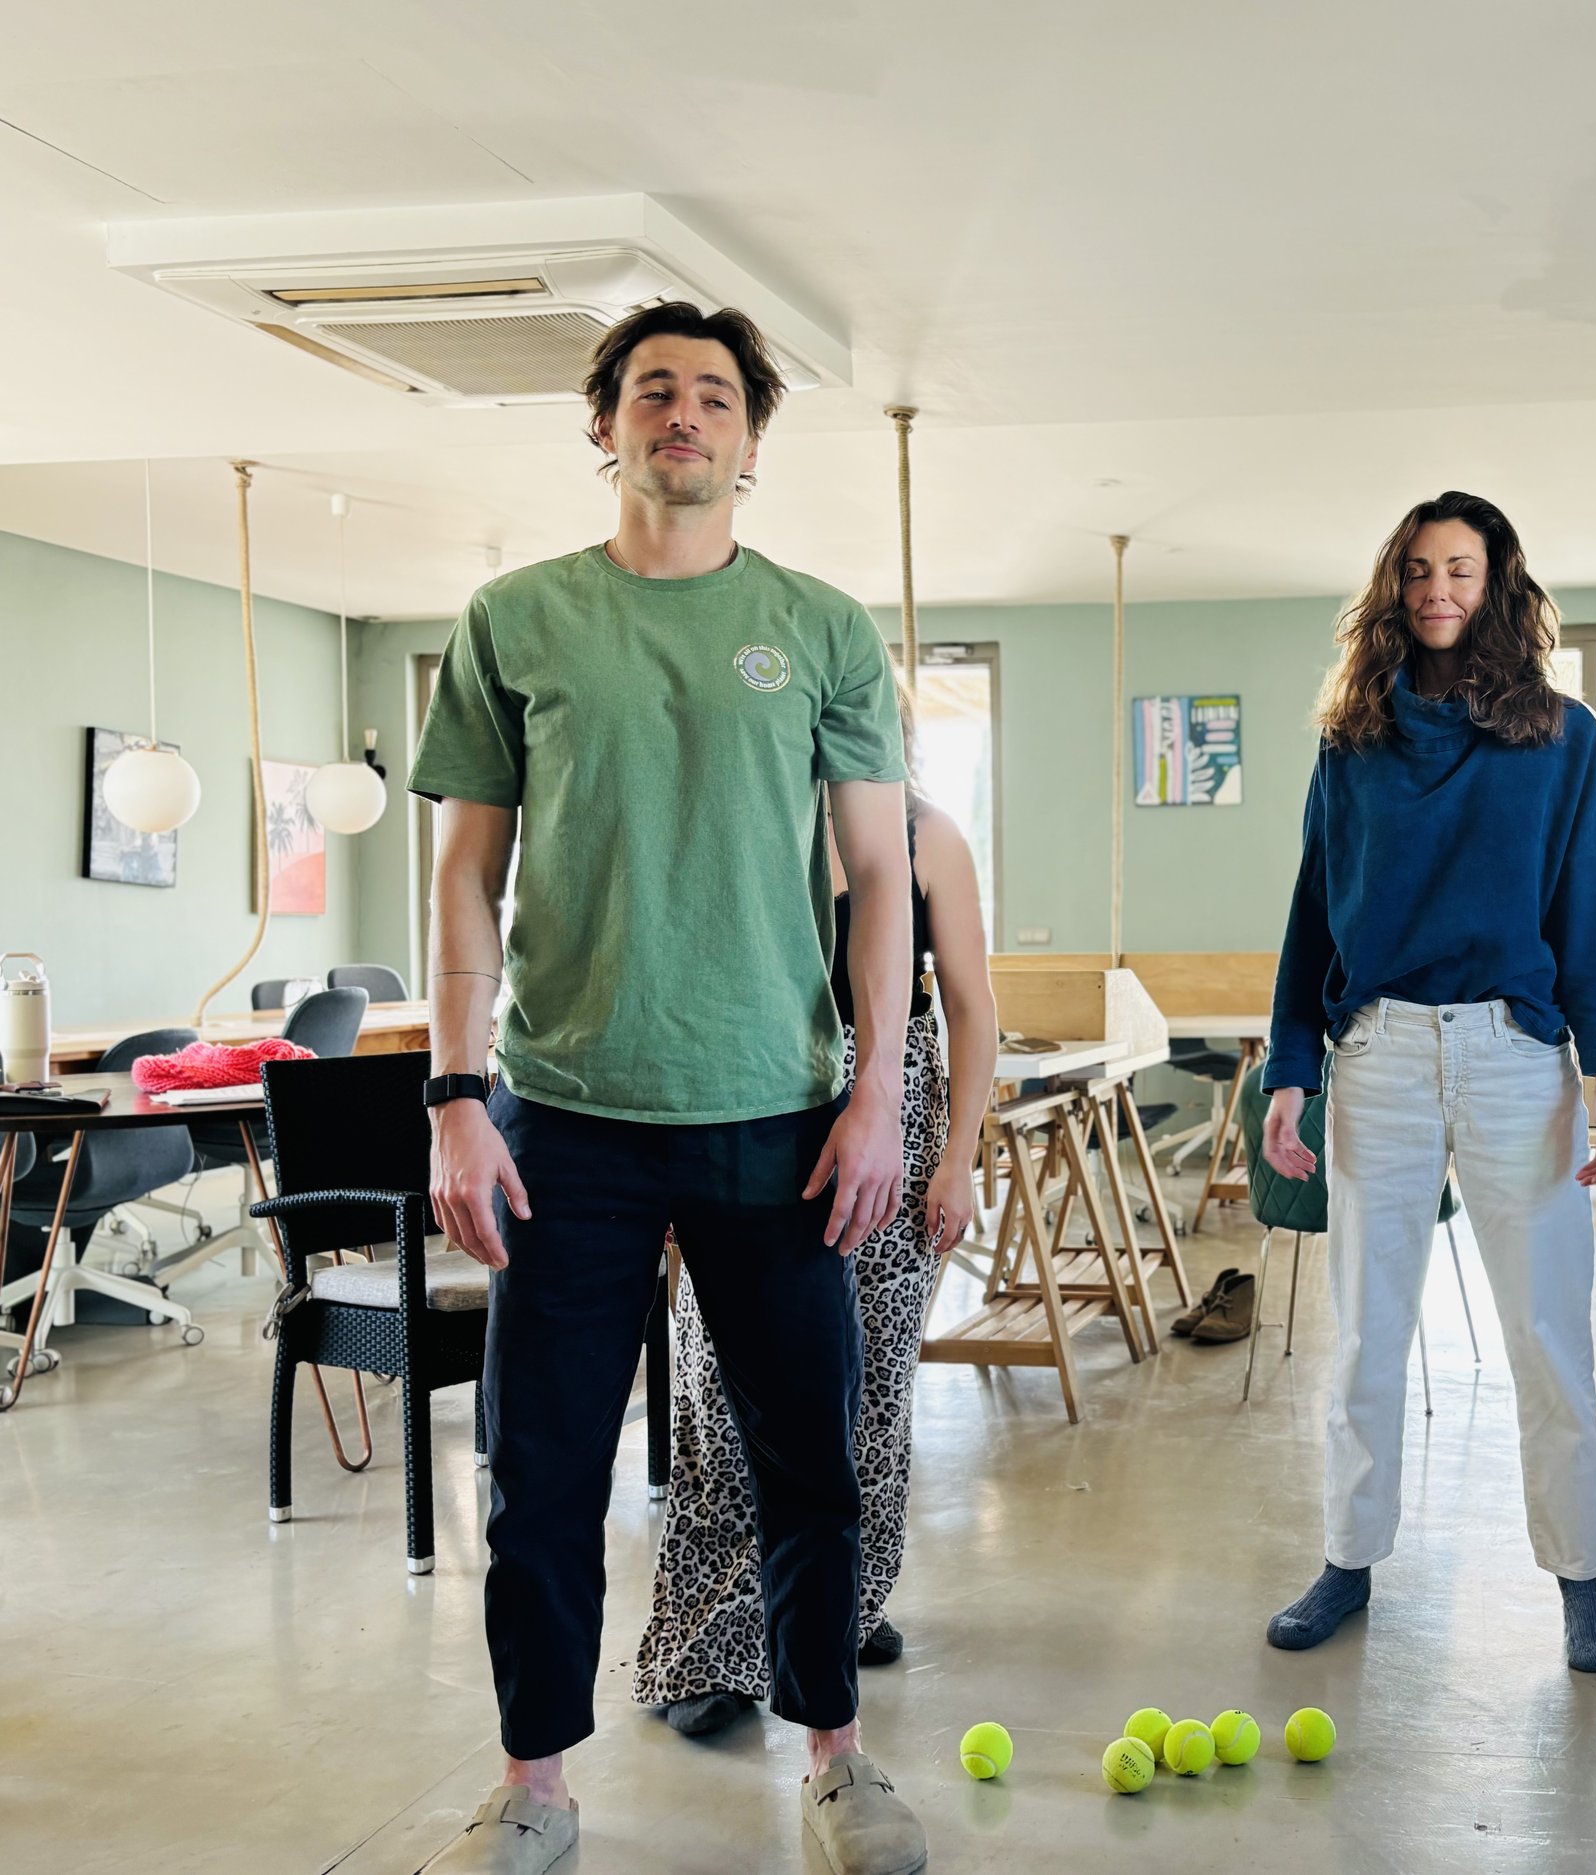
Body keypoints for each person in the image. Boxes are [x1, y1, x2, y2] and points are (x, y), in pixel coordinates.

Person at [411, 301, 928, 1875]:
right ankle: (535, 1784)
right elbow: (464, 871)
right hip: (564, 1118)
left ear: (751, 439)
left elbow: (883, 874)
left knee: (808, 1460)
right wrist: (452, 1092)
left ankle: (833, 1755)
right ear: (606, 425)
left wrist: (877, 1096)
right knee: (542, 1471)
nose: (683, 413)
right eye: (653, 390)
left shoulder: (822, 627)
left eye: (714, 394)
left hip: (777, 1115)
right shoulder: (515, 618)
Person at [1259, 489, 1596, 1675]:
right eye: (1419, 569)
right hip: (1377, 1056)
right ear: (1395, 586)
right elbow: (1313, 910)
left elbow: (1589, 908)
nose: (1436, 589)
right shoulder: (1352, 741)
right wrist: (1289, 1069)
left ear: (1496, 585)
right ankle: (1347, 1559)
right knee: (1366, 1332)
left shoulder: (1562, 737)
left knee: (1547, 1331)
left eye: (1459, 569)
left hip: (1515, 1058)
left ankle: (1582, 1580)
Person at [634, 687, 998, 1730]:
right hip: (750, 1107)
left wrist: (959, 1159)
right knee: (721, 1388)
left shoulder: (929, 838)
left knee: (871, 1386)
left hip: (896, 1114)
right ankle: (707, 1653)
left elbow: (970, 1007)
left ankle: (838, 1607)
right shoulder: (747, 828)